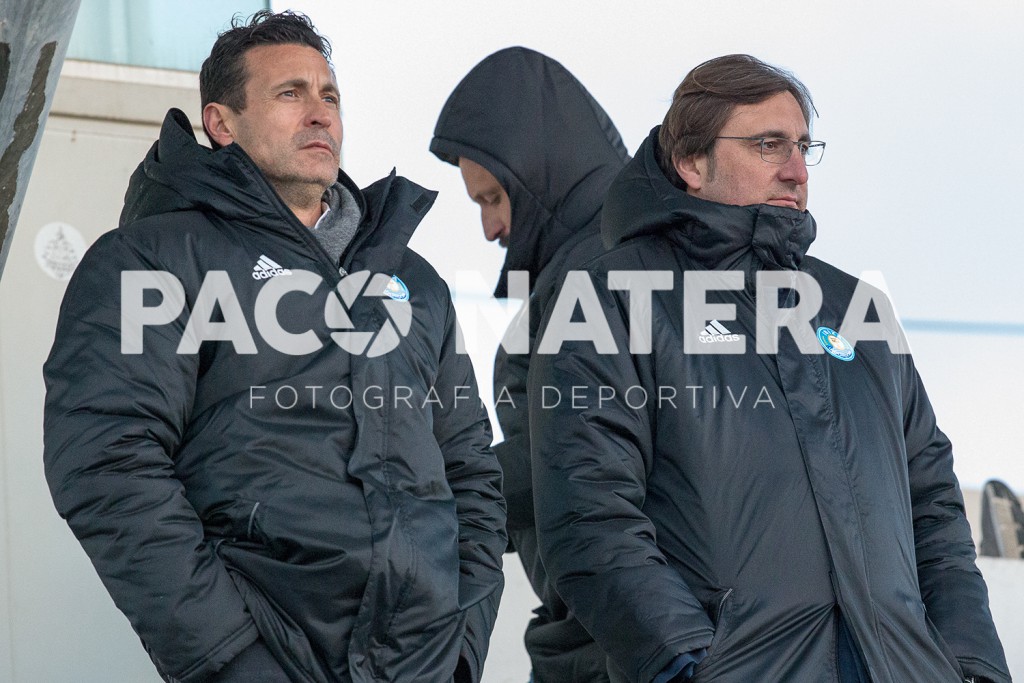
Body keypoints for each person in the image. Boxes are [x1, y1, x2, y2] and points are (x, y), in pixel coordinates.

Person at [42, 11, 505, 683]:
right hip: (266, 651)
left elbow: (471, 470)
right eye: (290, 93)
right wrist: (231, 656)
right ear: (222, 123)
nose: (320, 114)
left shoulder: (415, 282)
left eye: (329, 96)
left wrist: (463, 648)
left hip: (424, 662)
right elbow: (108, 462)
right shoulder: (154, 262)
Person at [528, 54, 1010, 683]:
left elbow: (935, 509)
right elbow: (589, 514)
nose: (796, 169)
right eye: (768, 144)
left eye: (804, 147)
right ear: (691, 161)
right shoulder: (610, 298)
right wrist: (687, 664)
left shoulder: (857, 309)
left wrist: (971, 663)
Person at [430, 46, 629, 682]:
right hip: (598, 626)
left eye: (493, 198)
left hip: (614, 638)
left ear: (541, 175)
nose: (489, 228)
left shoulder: (598, 276)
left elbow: (576, 448)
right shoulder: (582, 271)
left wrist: (430, 493)